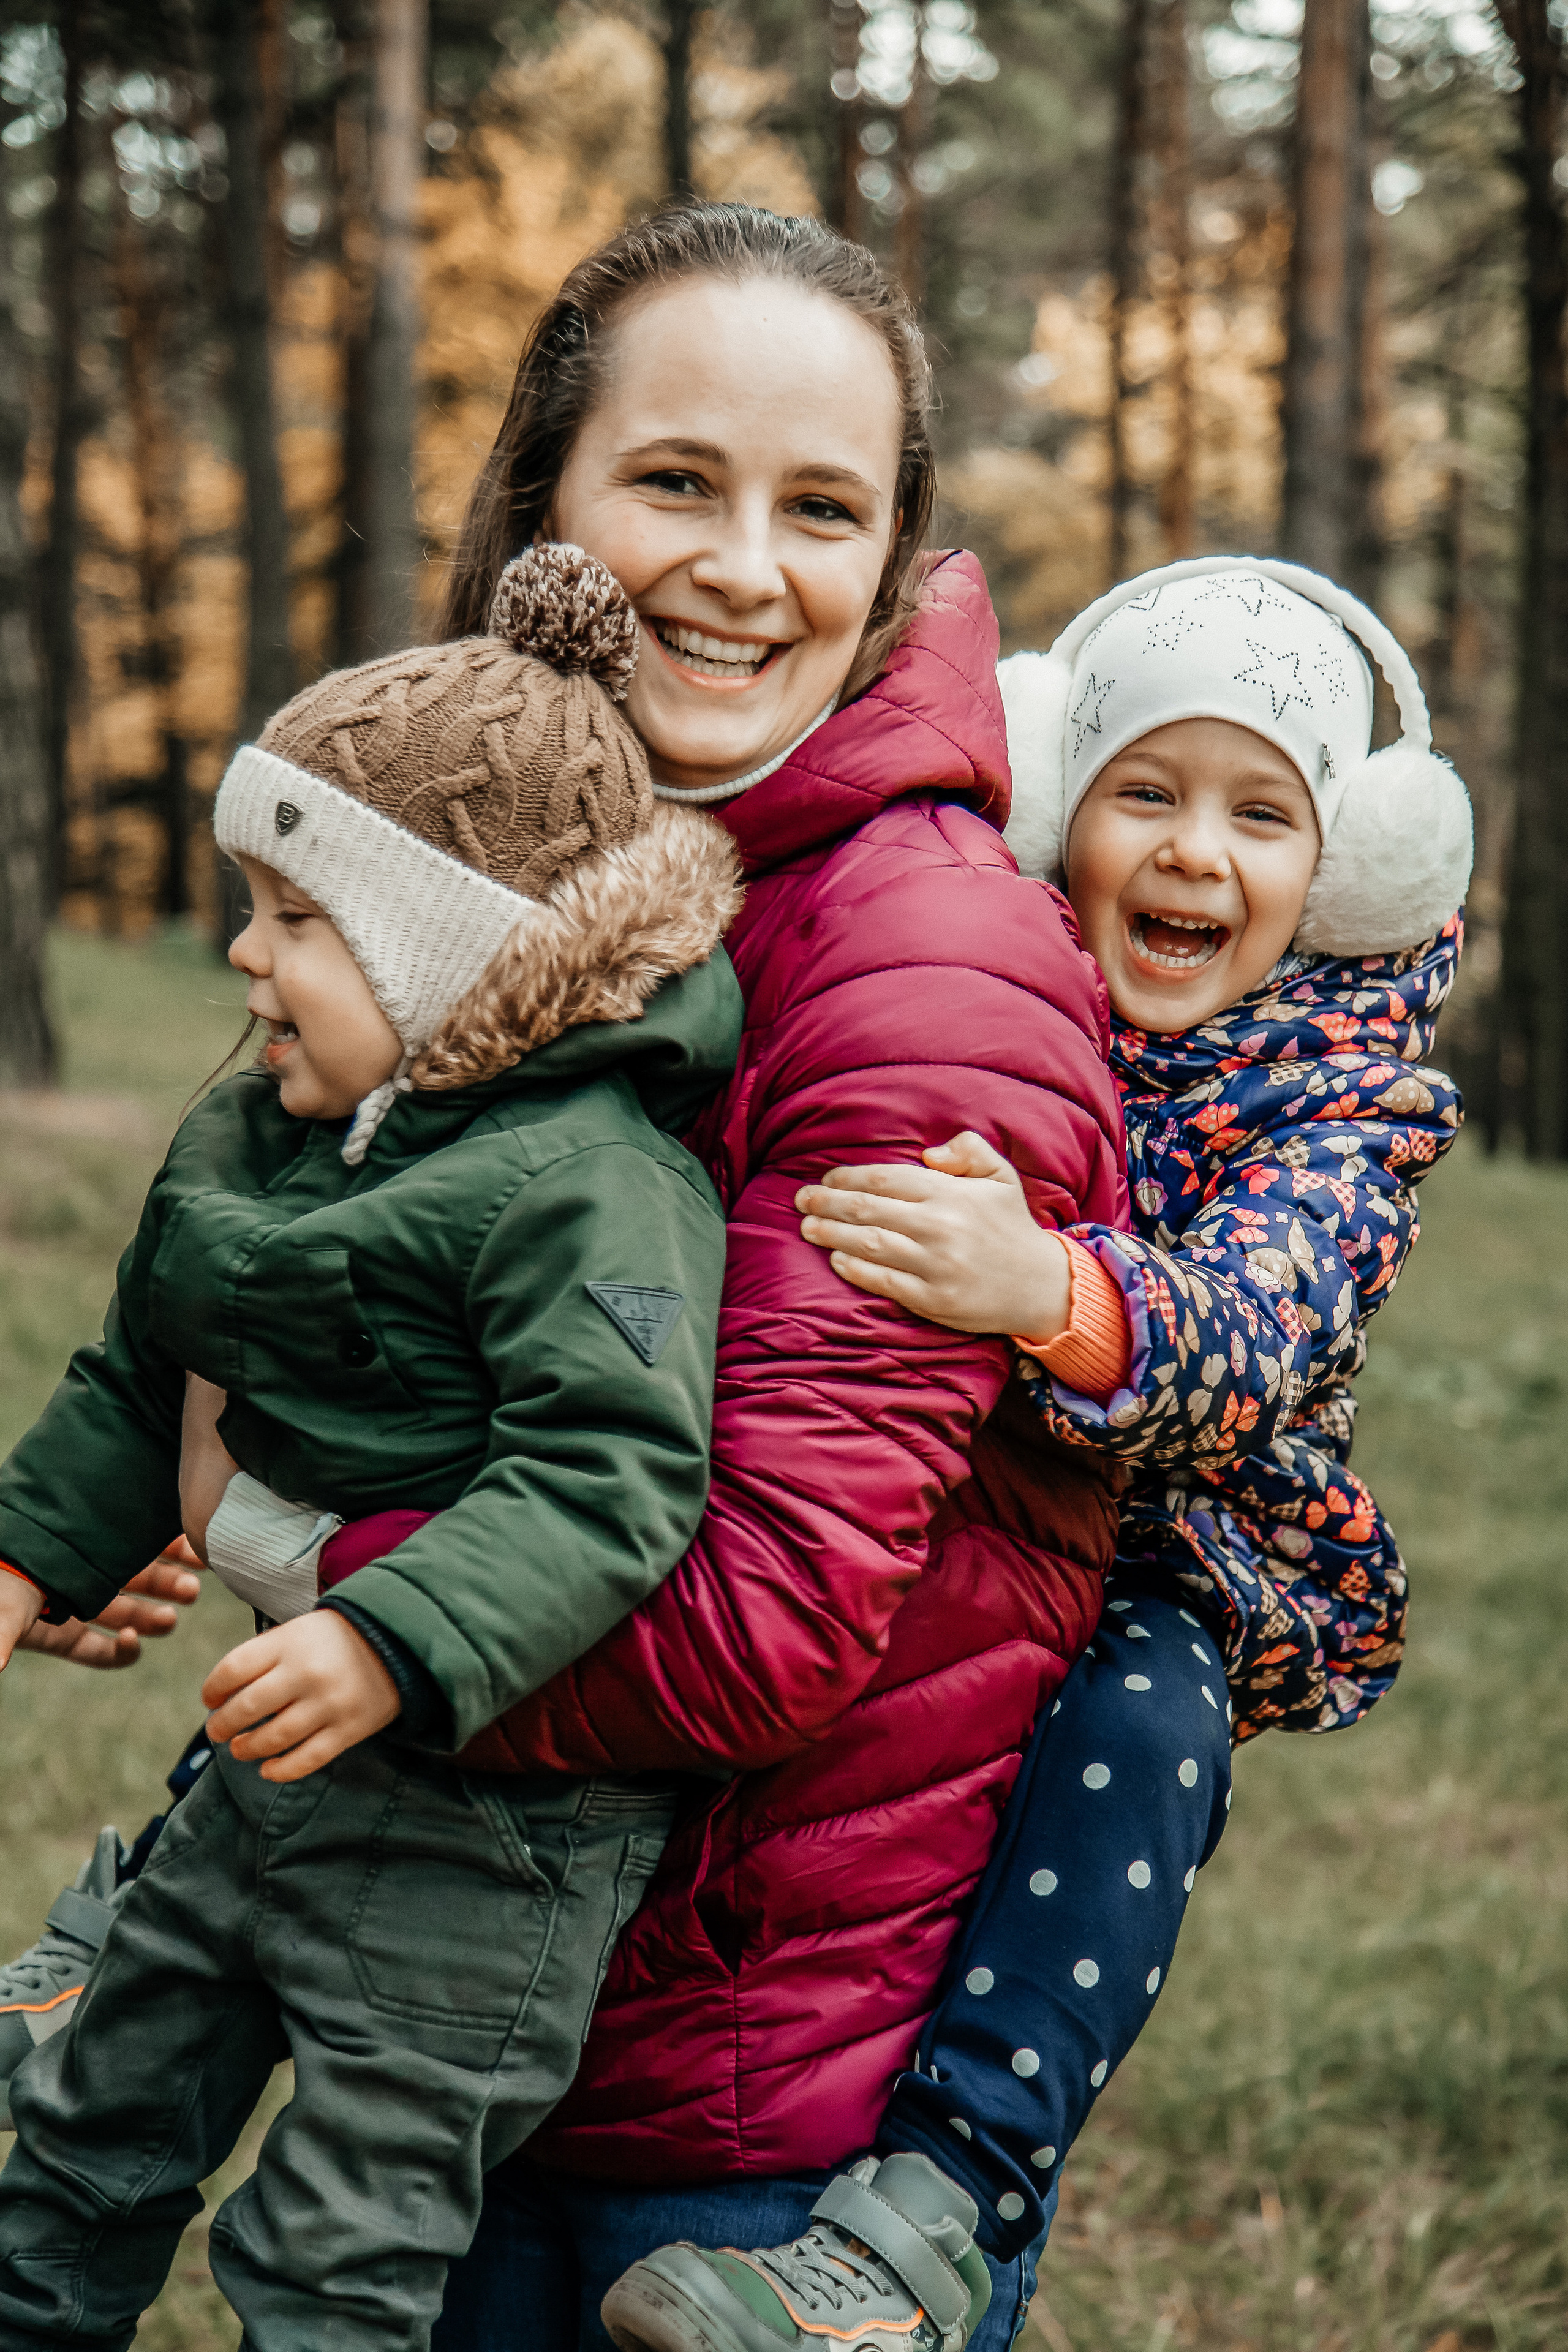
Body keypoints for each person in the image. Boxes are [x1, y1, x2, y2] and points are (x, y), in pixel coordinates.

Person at [0, 205, 1128, 2352]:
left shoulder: (920, 961)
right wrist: (112, 1510)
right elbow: (278, 1277)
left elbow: (766, 1616)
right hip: (475, 1974)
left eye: (824, 509)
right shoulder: (469, 867)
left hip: (733, 2085)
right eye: (676, 480)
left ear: (893, 559)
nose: (744, 566)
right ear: (545, 509)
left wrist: (293, 1562)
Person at [598, 559, 1472, 2352]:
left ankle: (929, 2212)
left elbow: (1268, 1323)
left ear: (1345, 870)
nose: (1194, 855)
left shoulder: (1345, 1094)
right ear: (1064, 798)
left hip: (1178, 1538)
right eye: (1146, 791)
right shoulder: (1004, 967)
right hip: (972, 1501)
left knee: (1140, 1733)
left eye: (1261, 815)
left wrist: (1050, 1289)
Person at [0, 545, 746, 2343]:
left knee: (337, 2246)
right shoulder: (264, 1135)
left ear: (446, 955)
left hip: (491, 1843)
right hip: (269, 1770)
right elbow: (138, 1366)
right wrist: (25, 1563)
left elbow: (611, 1473)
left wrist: (388, 1635)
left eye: (297, 918)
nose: (244, 957)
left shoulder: (594, 1187)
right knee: (84, 2131)